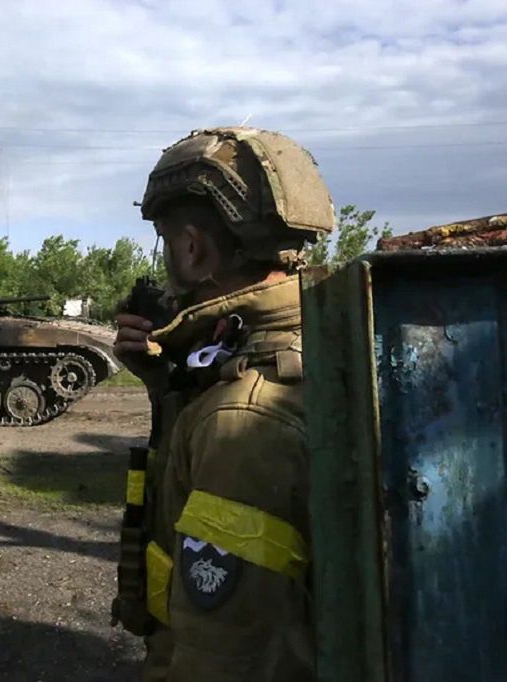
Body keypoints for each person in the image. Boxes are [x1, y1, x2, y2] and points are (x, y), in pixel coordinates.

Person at [111, 127, 335, 680]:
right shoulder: (323, 340)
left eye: (167, 241)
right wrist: (163, 383)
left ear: (192, 247)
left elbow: (227, 655)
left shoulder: (242, 419)